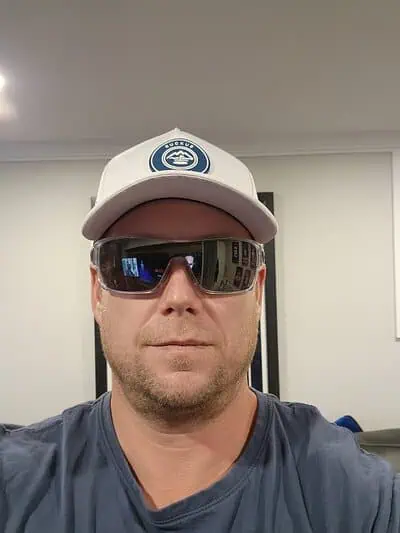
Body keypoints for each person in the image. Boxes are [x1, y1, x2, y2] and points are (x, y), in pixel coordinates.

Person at [0, 128, 399, 533]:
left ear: (257, 292)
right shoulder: (14, 486)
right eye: (138, 265)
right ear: (97, 294)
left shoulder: (360, 498)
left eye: (219, 263)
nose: (179, 296)